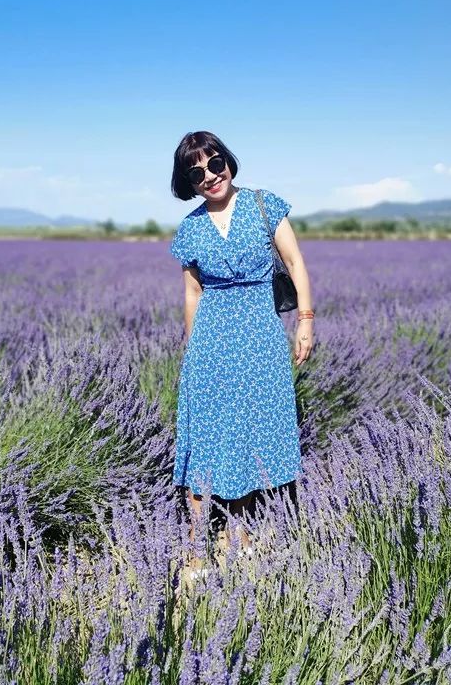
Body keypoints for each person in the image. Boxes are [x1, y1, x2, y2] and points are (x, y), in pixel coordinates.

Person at [169, 130, 314, 574]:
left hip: (261, 337)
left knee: (251, 430)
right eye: (197, 173)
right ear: (188, 182)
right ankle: (196, 548)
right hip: (212, 340)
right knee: (207, 436)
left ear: (227, 161)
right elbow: (193, 293)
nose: (210, 176)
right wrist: (195, 349)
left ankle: (241, 533)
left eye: (215, 164)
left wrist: (305, 321)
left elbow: (295, 264)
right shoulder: (190, 228)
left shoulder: (264, 204)